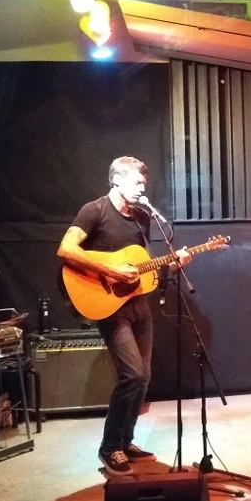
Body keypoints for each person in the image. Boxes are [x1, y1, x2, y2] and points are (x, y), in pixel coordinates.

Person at [57, 156, 190, 475]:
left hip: (137, 304)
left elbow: (141, 262)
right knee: (132, 374)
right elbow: (66, 250)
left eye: (144, 183)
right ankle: (109, 447)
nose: (143, 188)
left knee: (143, 377)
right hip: (108, 306)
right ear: (116, 180)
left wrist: (171, 264)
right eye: (136, 182)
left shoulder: (142, 218)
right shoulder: (95, 211)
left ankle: (125, 440)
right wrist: (110, 270)